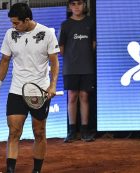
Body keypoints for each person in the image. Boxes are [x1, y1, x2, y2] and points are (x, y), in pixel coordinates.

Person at [0, 3, 59, 173]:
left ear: (27, 20)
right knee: (14, 131)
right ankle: (10, 170)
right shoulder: (10, 34)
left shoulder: (47, 34)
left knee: (39, 132)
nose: (13, 26)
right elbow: (4, 61)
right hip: (16, 90)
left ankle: (36, 171)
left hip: (39, 91)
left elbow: (54, 62)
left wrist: (52, 85)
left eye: (16, 23)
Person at [58, 0, 96, 143]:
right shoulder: (65, 25)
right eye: (73, 4)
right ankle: (72, 131)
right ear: (69, 7)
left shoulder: (90, 22)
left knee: (84, 96)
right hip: (70, 68)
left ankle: (85, 131)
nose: (76, 7)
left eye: (79, 3)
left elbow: (93, 44)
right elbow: (60, 49)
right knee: (72, 96)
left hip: (87, 67)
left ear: (84, 5)